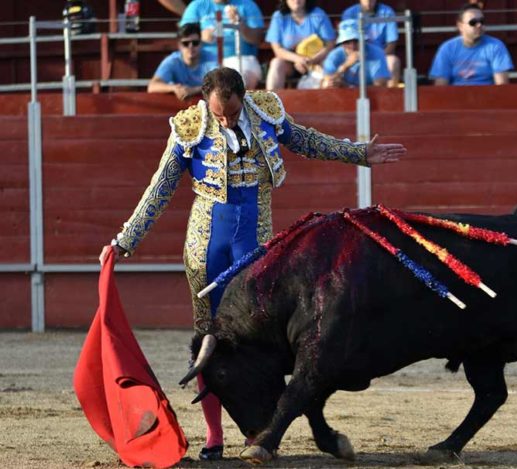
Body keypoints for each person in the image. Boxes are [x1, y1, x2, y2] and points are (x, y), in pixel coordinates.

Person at [98, 67, 405, 461]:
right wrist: (126, 239)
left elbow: (307, 141)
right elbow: (160, 187)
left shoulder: (266, 111)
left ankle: (259, 430)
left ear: (243, 96)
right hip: (207, 243)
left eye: (229, 112)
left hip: (256, 245)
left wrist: (359, 152)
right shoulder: (190, 126)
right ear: (205, 102)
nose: (223, 119)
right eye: (217, 114)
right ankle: (213, 436)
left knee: (260, 340)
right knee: (208, 340)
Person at [181, 0, 264, 89]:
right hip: (205, 61)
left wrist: (241, 25)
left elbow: (258, 39)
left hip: (240, 59)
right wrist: (200, 36)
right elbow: (183, 36)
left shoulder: (247, 4)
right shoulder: (197, 6)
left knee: (239, 81)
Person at [429, 4, 513, 86]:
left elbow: (502, 86)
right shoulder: (447, 49)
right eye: (473, 22)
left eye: (482, 21)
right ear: (460, 26)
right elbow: (440, 86)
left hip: (487, 97)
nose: (479, 25)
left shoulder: (495, 46)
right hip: (456, 98)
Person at [265, 0, 336, 90]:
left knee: (328, 64)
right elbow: (277, 50)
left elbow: (329, 44)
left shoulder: (318, 14)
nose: (296, 0)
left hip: (317, 60)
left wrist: (311, 61)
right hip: (290, 63)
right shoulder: (278, 16)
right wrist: (298, 59)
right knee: (276, 63)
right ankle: (270, 101)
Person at [147, 23, 218, 100]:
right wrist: (174, 88)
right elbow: (152, 86)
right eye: (185, 43)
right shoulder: (173, 61)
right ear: (179, 45)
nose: (191, 47)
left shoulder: (211, 59)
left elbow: (220, 85)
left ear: (201, 44)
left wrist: (194, 90)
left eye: (195, 43)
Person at [341, 0, 400, 87]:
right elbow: (346, 41)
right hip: (355, 56)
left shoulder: (387, 12)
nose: (368, 3)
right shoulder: (349, 13)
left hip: (380, 56)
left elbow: (392, 43)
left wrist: (378, 56)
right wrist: (354, 57)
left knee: (393, 61)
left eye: (371, 0)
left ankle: (389, 98)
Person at [322, 19, 390, 88]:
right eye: (347, 42)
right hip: (341, 96)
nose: (352, 46)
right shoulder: (334, 56)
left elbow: (380, 87)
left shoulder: (377, 53)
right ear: (341, 44)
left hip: (371, 97)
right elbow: (328, 81)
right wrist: (345, 66)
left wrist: (349, 87)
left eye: (356, 41)